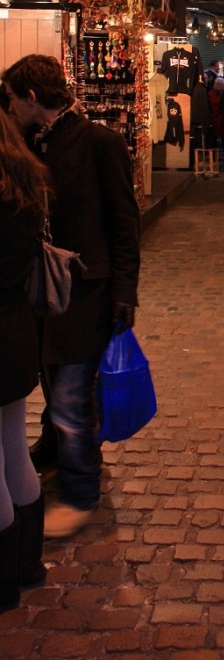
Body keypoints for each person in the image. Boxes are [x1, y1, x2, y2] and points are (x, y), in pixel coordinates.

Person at [2, 54, 140, 539]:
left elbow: (125, 223)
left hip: (86, 291)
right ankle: (56, 450)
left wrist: (125, 292)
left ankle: (81, 493)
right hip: (42, 287)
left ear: (31, 97)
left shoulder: (99, 142)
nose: (10, 107)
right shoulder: (26, 142)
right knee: (52, 380)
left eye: (13, 98)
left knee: (70, 396)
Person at [0, 110, 49, 611]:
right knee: (14, 450)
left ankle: (2, 584)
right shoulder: (24, 187)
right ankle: (28, 565)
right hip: (15, 333)